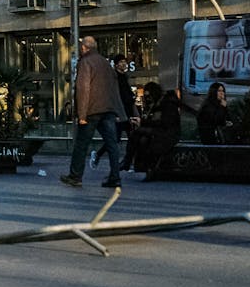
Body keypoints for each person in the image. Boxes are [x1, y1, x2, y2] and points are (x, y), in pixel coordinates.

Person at [61, 37, 127, 189]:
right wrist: (119, 112)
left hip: (92, 111)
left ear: (84, 48)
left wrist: (82, 115)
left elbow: (83, 89)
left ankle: (75, 176)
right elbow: (114, 88)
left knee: (81, 144)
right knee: (112, 144)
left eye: (80, 47)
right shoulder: (105, 63)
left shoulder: (85, 63)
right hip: (108, 110)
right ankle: (115, 177)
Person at [122, 83, 180, 180]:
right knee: (139, 135)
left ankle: (128, 161)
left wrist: (143, 122)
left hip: (167, 133)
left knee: (140, 136)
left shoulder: (167, 104)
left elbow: (164, 123)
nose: (148, 98)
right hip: (162, 131)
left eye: (149, 96)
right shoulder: (158, 104)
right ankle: (130, 162)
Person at [91, 54, 139, 169]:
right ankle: (98, 155)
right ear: (116, 64)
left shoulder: (124, 77)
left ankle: (128, 162)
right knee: (115, 139)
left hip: (127, 113)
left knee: (132, 137)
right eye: (121, 62)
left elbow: (128, 96)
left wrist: (134, 112)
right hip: (119, 112)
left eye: (125, 61)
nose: (124, 64)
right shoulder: (114, 77)